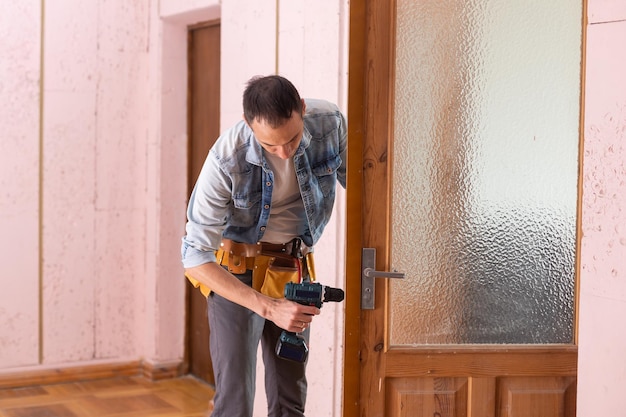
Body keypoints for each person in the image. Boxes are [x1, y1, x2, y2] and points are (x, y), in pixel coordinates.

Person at [181, 75, 347, 417]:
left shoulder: (330, 124)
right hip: (235, 272)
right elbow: (195, 256)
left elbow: (367, 185)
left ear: (302, 109)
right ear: (248, 124)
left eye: (292, 139)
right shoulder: (226, 158)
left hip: (293, 267)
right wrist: (269, 308)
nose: (284, 152)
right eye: (271, 146)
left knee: (291, 394)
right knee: (235, 399)